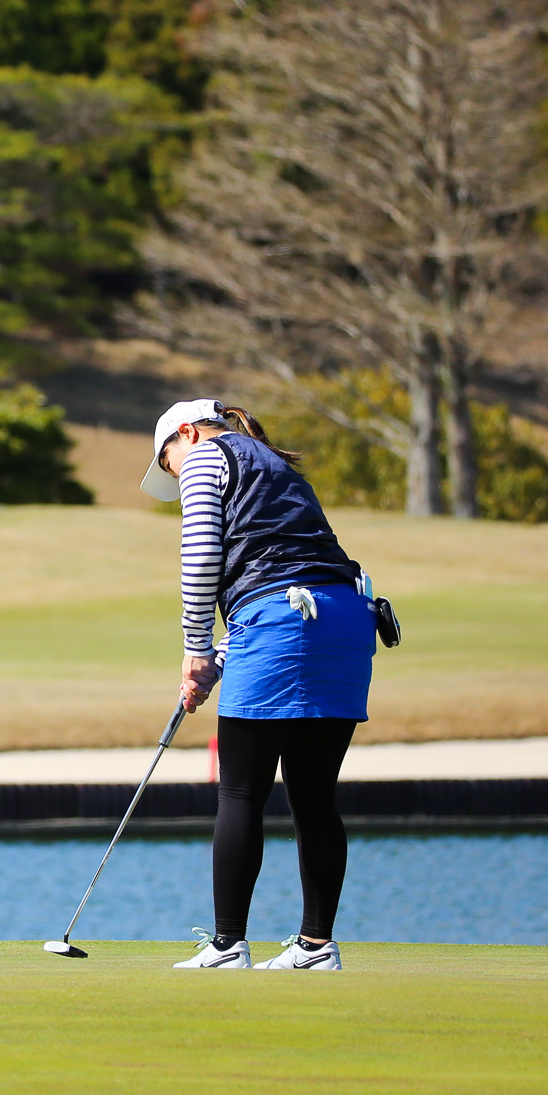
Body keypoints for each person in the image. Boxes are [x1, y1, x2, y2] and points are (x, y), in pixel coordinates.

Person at [139, 399, 376, 972]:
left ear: (186, 434)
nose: (177, 473)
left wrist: (196, 652)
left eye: (169, 462)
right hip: (347, 617)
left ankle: (226, 946)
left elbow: (201, 561)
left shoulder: (205, 457)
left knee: (241, 790)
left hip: (281, 619)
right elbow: (281, 578)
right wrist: (219, 659)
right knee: (314, 796)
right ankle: (315, 948)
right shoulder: (275, 466)